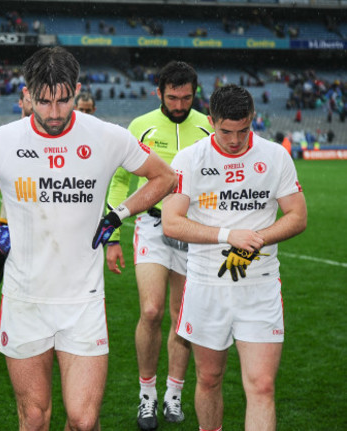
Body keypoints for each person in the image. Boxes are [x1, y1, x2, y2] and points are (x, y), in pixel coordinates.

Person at [0, 47, 176, 430]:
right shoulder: (0, 140)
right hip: (24, 299)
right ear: (27, 95)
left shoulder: (108, 137)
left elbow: (164, 177)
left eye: (63, 100)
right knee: (35, 418)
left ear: (76, 91)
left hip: (83, 302)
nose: (55, 113)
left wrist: (118, 214)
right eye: (43, 102)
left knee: (84, 420)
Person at [161, 84, 307, 431]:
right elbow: (171, 222)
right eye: (226, 131)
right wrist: (229, 236)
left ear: (253, 120)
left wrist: (255, 241)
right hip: (206, 283)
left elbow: (297, 216)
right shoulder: (190, 159)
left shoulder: (275, 157)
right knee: (209, 378)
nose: (235, 140)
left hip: (258, 286)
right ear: (211, 121)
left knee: (262, 385)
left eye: (243, 130)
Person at [105, 60, 213, 430]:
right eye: (172, 98)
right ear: (159, 93)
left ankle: (174, 393)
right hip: (151, 226)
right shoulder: (141, 126)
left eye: (186, 98)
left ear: (194, 93)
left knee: (182, 316)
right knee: (151, 312)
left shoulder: (207, 127)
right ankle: (147, 395)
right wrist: (112, 235)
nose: (180, 105)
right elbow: (119, 181)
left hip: (192, 231)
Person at [0, 90, 33, 227]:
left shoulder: (51, 140)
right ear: (20, 103)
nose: (33, 104)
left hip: (41, 222)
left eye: (38, 100)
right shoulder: (7, 137)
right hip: (9, 221)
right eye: (29, 100)